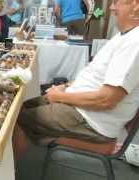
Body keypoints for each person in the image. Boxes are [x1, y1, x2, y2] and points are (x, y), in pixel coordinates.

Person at [13, 0, 139, 159]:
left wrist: (61, 97)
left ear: (136, 5)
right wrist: (64, 87)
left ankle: (9, 172)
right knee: (20, 107)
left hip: (91, 120)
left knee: (15, 119)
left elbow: (107, 100)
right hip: (82, 109)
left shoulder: (134, 42)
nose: (112, 8)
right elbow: (95, 76)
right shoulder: (123, 36)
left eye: (117, 3)